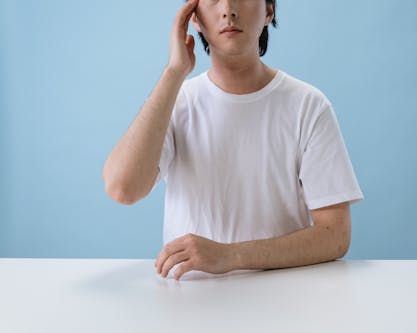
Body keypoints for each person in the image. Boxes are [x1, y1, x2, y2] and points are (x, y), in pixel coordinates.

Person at [102, 0, 364, 281]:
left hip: (283, 297)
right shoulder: (175, 102)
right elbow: (122, 189)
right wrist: (173, 73)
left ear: (269, 11)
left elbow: (335, 235)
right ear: (194, 18)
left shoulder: (308, 105)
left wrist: (231, 255)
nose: (228, 9)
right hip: (190, 301)